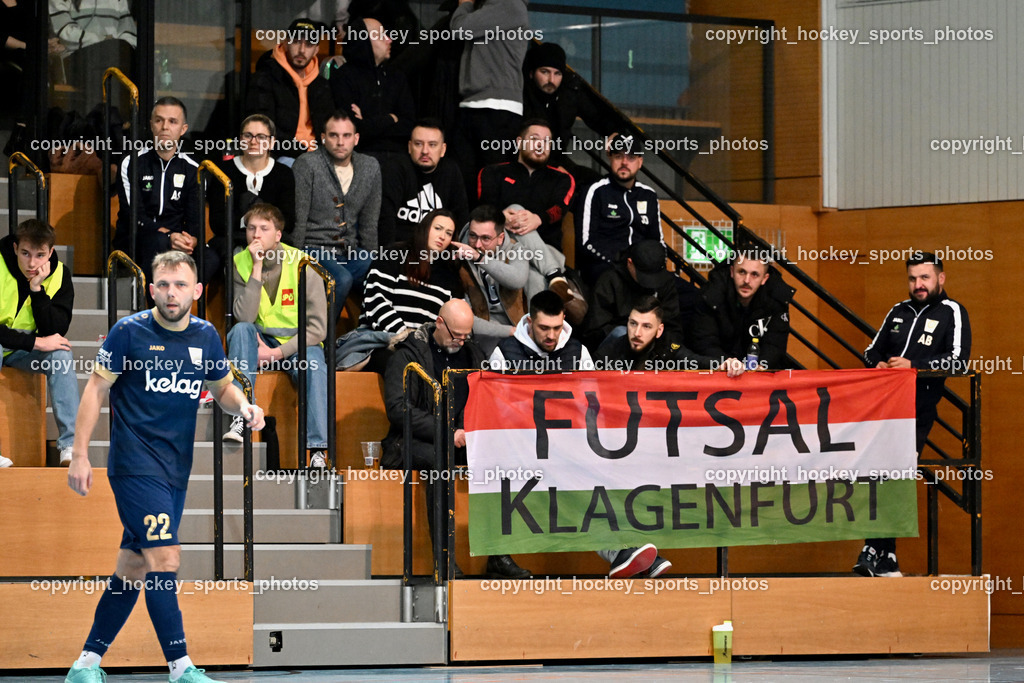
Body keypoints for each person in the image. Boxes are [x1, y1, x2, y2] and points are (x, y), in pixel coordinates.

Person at [65, 251, 265, 683]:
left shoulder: (206, 335)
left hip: (176, 470)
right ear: (151, 288)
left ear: (196, 290)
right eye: (163, 284)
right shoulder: (128, 333)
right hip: (134, 465)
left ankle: (85, 664)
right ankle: (180, 667)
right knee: (165, 558)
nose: (170, 292)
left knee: (133, 566)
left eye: (179, 285)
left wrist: (244, 407)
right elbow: (95, 391)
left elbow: (223, 386)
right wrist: (79, 454)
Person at [381, 298, 530, 580]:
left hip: (462, 438)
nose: (461, 341)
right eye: (456, 335)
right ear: (440, 322)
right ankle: (444, 557)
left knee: (500, 462)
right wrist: (448, 433)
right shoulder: (407, 355)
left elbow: (483, 399)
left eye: (466, 335)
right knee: (441, 462)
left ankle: (499, 553)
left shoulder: (472, 355)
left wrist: (469, 430)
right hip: (412, 443)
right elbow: (399, 410)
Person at [853, 252, 971, 578]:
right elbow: (871, 351)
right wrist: (876, 364)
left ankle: (873, 548)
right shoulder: (898, 311)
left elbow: (958, 361)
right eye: (912, 279)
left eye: (925, 278)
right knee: (879, 474)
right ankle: (886, 556)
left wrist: (914, 367)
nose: (918, 285)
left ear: (940, 279)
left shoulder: (952, 312)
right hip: (882, 409)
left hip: (916, 410)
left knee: (895, 473)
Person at [223, 204, 329, 469]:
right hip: (259, 342)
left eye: (263, 229)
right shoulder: (239, 263)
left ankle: (317, 451)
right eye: (251, 229)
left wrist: (277, 353)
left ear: (278, 235)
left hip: (297, 346)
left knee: (315, 366)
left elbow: (317, 328)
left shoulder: (305, 265)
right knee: (240, 331)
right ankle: (240, 416)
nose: (256, 235)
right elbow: (244, 317)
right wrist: (257, 267)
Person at [339, 209, 465, 372]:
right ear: (424, 228)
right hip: (381, 343)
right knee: (403, 364)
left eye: (449, 233)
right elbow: (376, 302)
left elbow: (449, 321)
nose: (442, 236)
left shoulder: (450, 277)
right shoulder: (393, 255)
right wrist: (407, 337)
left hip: (425, 351)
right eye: (438, 228)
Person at [113, 97, 218, 290]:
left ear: (183, 129)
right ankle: (155, 309)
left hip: (177, 240)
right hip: (137, 238)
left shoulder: (195, 168)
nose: (164, 127)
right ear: (151, 125)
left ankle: (181, 300)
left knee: (210, 257)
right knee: (158, 240)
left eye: (172, 121)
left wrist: (190, 240)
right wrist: (169, 236)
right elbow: (134, 216)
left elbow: (195, 222)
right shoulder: (132, 162)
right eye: (159, 120)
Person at [0, 219, 79, 466]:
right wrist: (35, 342)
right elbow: (41, 340)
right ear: (15, 248)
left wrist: (37, 291)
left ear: (51, 252)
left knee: (61, 355)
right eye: (25, 253)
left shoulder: (60, 275)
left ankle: (70, 446)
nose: (32, 263)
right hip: (9, 344)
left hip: (21, 353)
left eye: (40, 255)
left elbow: (55, 331)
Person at [292, 109, 382, 318]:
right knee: (341, 279)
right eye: (334, 135)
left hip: (348, 252)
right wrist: (292, 263)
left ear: (356, 138)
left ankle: (363, 340)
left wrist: (375, 259)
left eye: (346, 135)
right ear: (323, 138)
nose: (340, 142)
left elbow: (369, 223)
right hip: (312, 248)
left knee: (379, 273)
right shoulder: (307, 164)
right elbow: (299, 219)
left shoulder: (370, 167)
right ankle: (321, 342)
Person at [449, 0, 530, 193]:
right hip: (473, 105)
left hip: (498, 109)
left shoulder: (510, 5)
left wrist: (465, 4)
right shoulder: (487, 9)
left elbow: (459, 28)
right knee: (465, 185)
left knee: (491, 189)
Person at [521, 41, 617, 185]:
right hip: (527, 162)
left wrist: (613, 131)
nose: (551, 80)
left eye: (557, 73)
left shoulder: (568, 93)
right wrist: (552, 167)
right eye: (544, 72)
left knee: (599, 185)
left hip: (559, 160)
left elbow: (596, 115)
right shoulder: (521, 95)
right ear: (531, 73)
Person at [208, 115, 296, 265]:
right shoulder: (221, 172)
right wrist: (251, 223)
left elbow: (288, 221)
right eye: (248, 135)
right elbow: (217, 223)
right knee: (236, 257)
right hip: (231, 240)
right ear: (240, 139)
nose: (253, 141)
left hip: (271, 242)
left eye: (261, 137)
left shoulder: (284, 174)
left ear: (271, 142)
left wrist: (259, 230)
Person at [477, 119, 576, 251]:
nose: (541, 145)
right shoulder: (493, 172)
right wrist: (499, 217)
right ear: (519, 142)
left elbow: (559, 209)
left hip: (545, 248)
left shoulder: (561, 178)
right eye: (535, 139)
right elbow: (484, 207)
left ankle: (550, 269)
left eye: (547, 141)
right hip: (503, 249)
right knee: (515, 209)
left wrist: (538, 219)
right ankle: (553, 271)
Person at [577, 132, 662, 282]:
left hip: (643, 269)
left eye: (630, 157)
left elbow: (657, 242)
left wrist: (655, 266)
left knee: (690, 295)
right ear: (610, 158)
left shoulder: (649, 195)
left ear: (640, 162)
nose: (624, 162)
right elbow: (586, 243)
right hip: (606, 267)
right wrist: (622, 265)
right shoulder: (596, 191)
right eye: (618, 156)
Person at [330, 17, 415, 164]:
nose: (389, 40)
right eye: (381, 35)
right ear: (364, 40)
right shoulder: (343, 77)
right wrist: (390, 119)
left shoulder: (397, 77)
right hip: (359, 159)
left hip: (398, 159)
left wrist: (368, 121)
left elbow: (408, 126)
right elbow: (353, 130)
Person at [690, 249, 793, 370]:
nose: (746, 280)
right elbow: (704, 341)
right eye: (742, 272)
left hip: (759, 373)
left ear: (765, 278)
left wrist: (762, 364)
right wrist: (726, 363)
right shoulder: (711, 295)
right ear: (732, 272)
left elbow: (775, 344)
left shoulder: (776, 299)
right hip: (718, 370)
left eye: (754, 274)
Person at [245, 18, 334, 158]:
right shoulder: (266, 77)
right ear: (286, 43)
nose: (302, 50)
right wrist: (304, 153)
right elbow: (263, 129)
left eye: (309, 44)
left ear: (316, 50)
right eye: (297, 42)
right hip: (283, 155)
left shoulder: (320, 84)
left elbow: (330, 127)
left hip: (318, 156)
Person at [379, 119, 468, 247]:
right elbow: (385, 219)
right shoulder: (395, 168)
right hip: (401, 248)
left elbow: (461, 218)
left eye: (432, 145)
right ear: (410, 147)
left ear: (443, 149)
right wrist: (389, 256)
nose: (425, 151)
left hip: (438, 250)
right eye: (418, 144)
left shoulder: (451, 171)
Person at [583, 240, 683, 350]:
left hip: (655, 346)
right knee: (620, 332)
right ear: (629, 263)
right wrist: (635, 330)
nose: (650, 282)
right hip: (616, 348)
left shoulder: (665, 282)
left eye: (654, 277)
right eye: (644, 276)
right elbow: (595, 330)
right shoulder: (609, 280)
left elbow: (672, 325)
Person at [488, 290, 594, 374]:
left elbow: (591, 395)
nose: (551, 336)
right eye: (544, 328)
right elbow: (495, 397)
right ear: (530, 321)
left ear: (563, 320)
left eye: (557, 328)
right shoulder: (503, 353)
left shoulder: (579, 352)